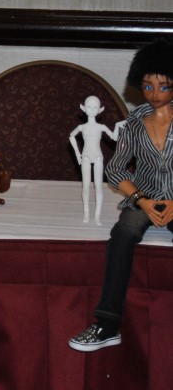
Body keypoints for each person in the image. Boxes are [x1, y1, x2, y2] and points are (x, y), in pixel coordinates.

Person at [69, 38, 173, 352]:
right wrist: (142, 200)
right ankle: (108, 322)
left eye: (164, 87)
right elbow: (115, 169)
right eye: (148, 86)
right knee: (123, 234)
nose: (155, 94)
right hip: (144, 196)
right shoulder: (133, 124)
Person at [68, 96, 119, 224]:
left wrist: (118, 125)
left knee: (98, 187)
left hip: (97, 157)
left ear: (100, 110)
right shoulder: (82, 127)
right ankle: (86, 213)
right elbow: (71, 136)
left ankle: (97, 215)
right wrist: (77, 153)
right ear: (84, 108)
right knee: (85, 187)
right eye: (89, 107)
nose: (92, 110)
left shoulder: (101, 127)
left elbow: (114, 138)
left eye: (95, 107)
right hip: (85, 157)